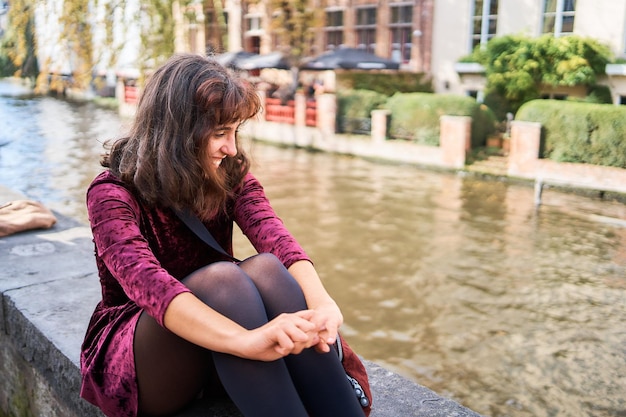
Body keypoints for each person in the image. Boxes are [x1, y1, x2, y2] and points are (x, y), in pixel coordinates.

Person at [79, 53, 367, 417]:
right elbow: (148, 285)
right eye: (219, 134)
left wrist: (322, 304)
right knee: (224, 279)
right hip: (146, 354)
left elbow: (274, 235)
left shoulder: (228, 173)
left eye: (234, 132)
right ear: (178, 132)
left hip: (226, 330)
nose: (231, 147)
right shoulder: (111, 193)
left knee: (265, 267)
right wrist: (245, 341)